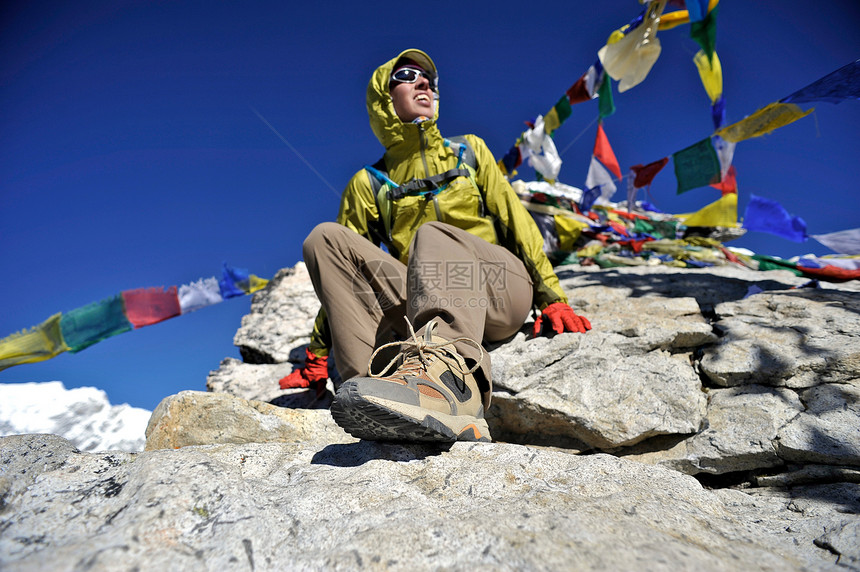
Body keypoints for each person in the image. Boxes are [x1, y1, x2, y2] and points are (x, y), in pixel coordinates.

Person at [280, 48, 591, 443]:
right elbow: (344, 276)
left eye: (430, 79)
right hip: (424, 295)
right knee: (326, 239)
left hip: (495, 286)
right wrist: (318, 351)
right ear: (383, 97)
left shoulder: (471, 152)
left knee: (433, 233)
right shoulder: (369, 183)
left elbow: (518, 223)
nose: (425, 83)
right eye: (408, 75)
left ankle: (453, 384)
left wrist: (551, 295)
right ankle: (371, 395)